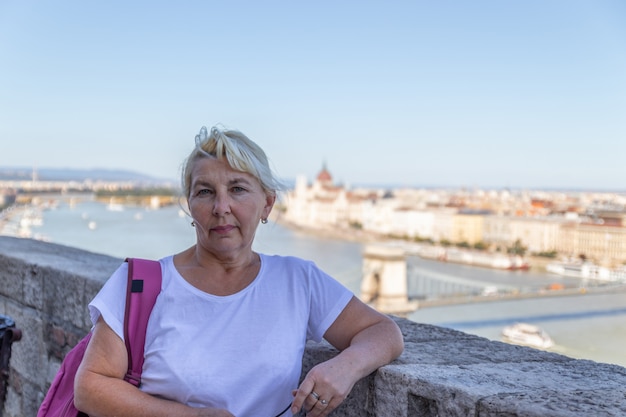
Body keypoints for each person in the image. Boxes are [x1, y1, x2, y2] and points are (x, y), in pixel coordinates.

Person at [74, 125, 404, 417]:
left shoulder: (298, 280)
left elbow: (383, 332)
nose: (221, 208)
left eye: (238, 189)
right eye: (205, 192)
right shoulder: (140, 284)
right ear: (190, 205)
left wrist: (345, 367)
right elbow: (90, 388)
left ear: (267, 204)